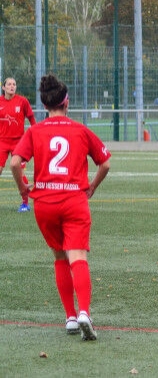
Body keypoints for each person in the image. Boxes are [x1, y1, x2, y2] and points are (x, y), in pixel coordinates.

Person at [10, 74, 111, 341]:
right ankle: (85, 313)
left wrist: (23, 190)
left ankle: (69, 317)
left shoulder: (35, 131)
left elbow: (14, 163)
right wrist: (92, 186)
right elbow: (106, 163)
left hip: (45, 203)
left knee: (59, 258)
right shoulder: (79, 129)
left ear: (45, 106)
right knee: (78, 257)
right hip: (73, 201)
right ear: (67, 103)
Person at [0, 77, 37, 212]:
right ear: (3, 87)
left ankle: (25, 203)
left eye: (14, 84)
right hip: (2, 142)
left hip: (18, 142)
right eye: (9, 84)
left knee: (19, 172)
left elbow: (31, 118)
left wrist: (36, 134)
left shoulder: (22, 101)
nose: (12, 86)